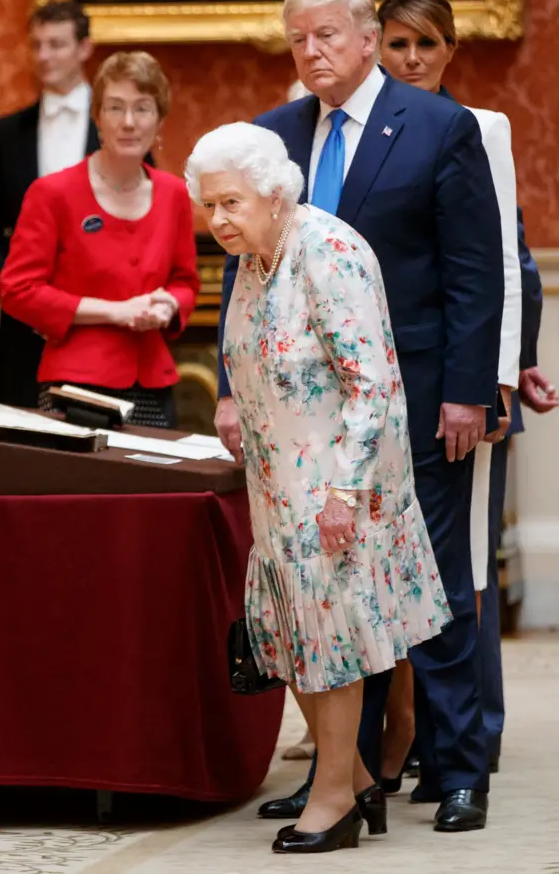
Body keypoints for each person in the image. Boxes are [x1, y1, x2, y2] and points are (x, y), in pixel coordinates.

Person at [215, 0, 505, 833]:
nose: (312, 51)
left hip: (412, 404)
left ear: (368, 38)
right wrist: (232, 391)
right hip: (304, 423)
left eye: (328, 35)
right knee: (332, 601)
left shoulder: (439, 126)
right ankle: (348, 778)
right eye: (298, 38)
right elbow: (245, 271)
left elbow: (473, 272)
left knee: (431, 589)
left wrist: (462, 394)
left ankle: (458, 770)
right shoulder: (274, 135)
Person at [186, 121, 451, 854]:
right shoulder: (252, 260)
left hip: (336, 482)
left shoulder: (328, 251)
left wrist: (343, 491)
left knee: (330, 639)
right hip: (278, 485)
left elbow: (374, 385)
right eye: (209, 207)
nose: (218, 221)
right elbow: (247, 358)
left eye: (231, 203)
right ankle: (358, 774)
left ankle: (335, 799)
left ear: (275, 193)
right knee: (288, 638)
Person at [376, 0, 557, 785]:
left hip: (466, 391)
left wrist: (505, 371)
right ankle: (394, 740)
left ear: (451, 50)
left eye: (427, 45)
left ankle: (465, 746)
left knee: (465, 578)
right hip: (384, 392)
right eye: (398, 44)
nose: (412, 59)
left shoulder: (476, 128)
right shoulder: (354, 134)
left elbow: (507, 266)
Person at [0, 51, 199, 428]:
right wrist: (113, 312)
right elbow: (17, 289)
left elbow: (186, 281)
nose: (128, 122)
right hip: (75, 387)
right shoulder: (52, 193)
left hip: (153, 385)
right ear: (98, 119)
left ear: (159, 120)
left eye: (142, 108)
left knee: (157, 487)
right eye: (115, 108)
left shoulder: (174, 194)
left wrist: (169, 305)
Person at [0, 1, 103, 408]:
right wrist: (19, 296)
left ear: (84, 48)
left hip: (99, 325)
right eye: (37, 45)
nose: (44, 56)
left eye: (56, 44)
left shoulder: (119, 126)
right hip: (21, 330)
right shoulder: (7, 132)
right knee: (22, 456)